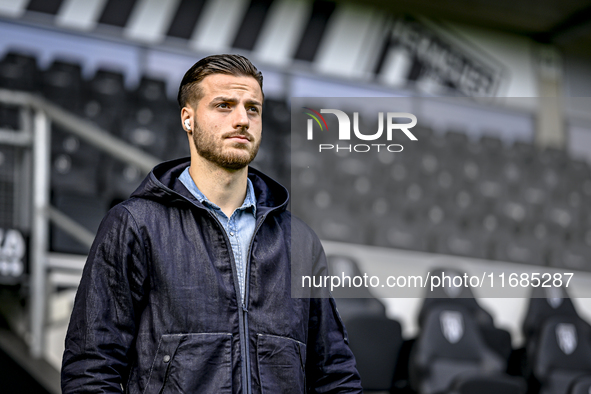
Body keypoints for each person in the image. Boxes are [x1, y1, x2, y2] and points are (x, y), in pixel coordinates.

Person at [61, 54, 362, 394]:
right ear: (188, 119)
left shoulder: (299, 242)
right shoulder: (134, 225)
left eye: (253, 109)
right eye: (223, 105)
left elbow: (335, 375)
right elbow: (90, 368)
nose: (242, 120)